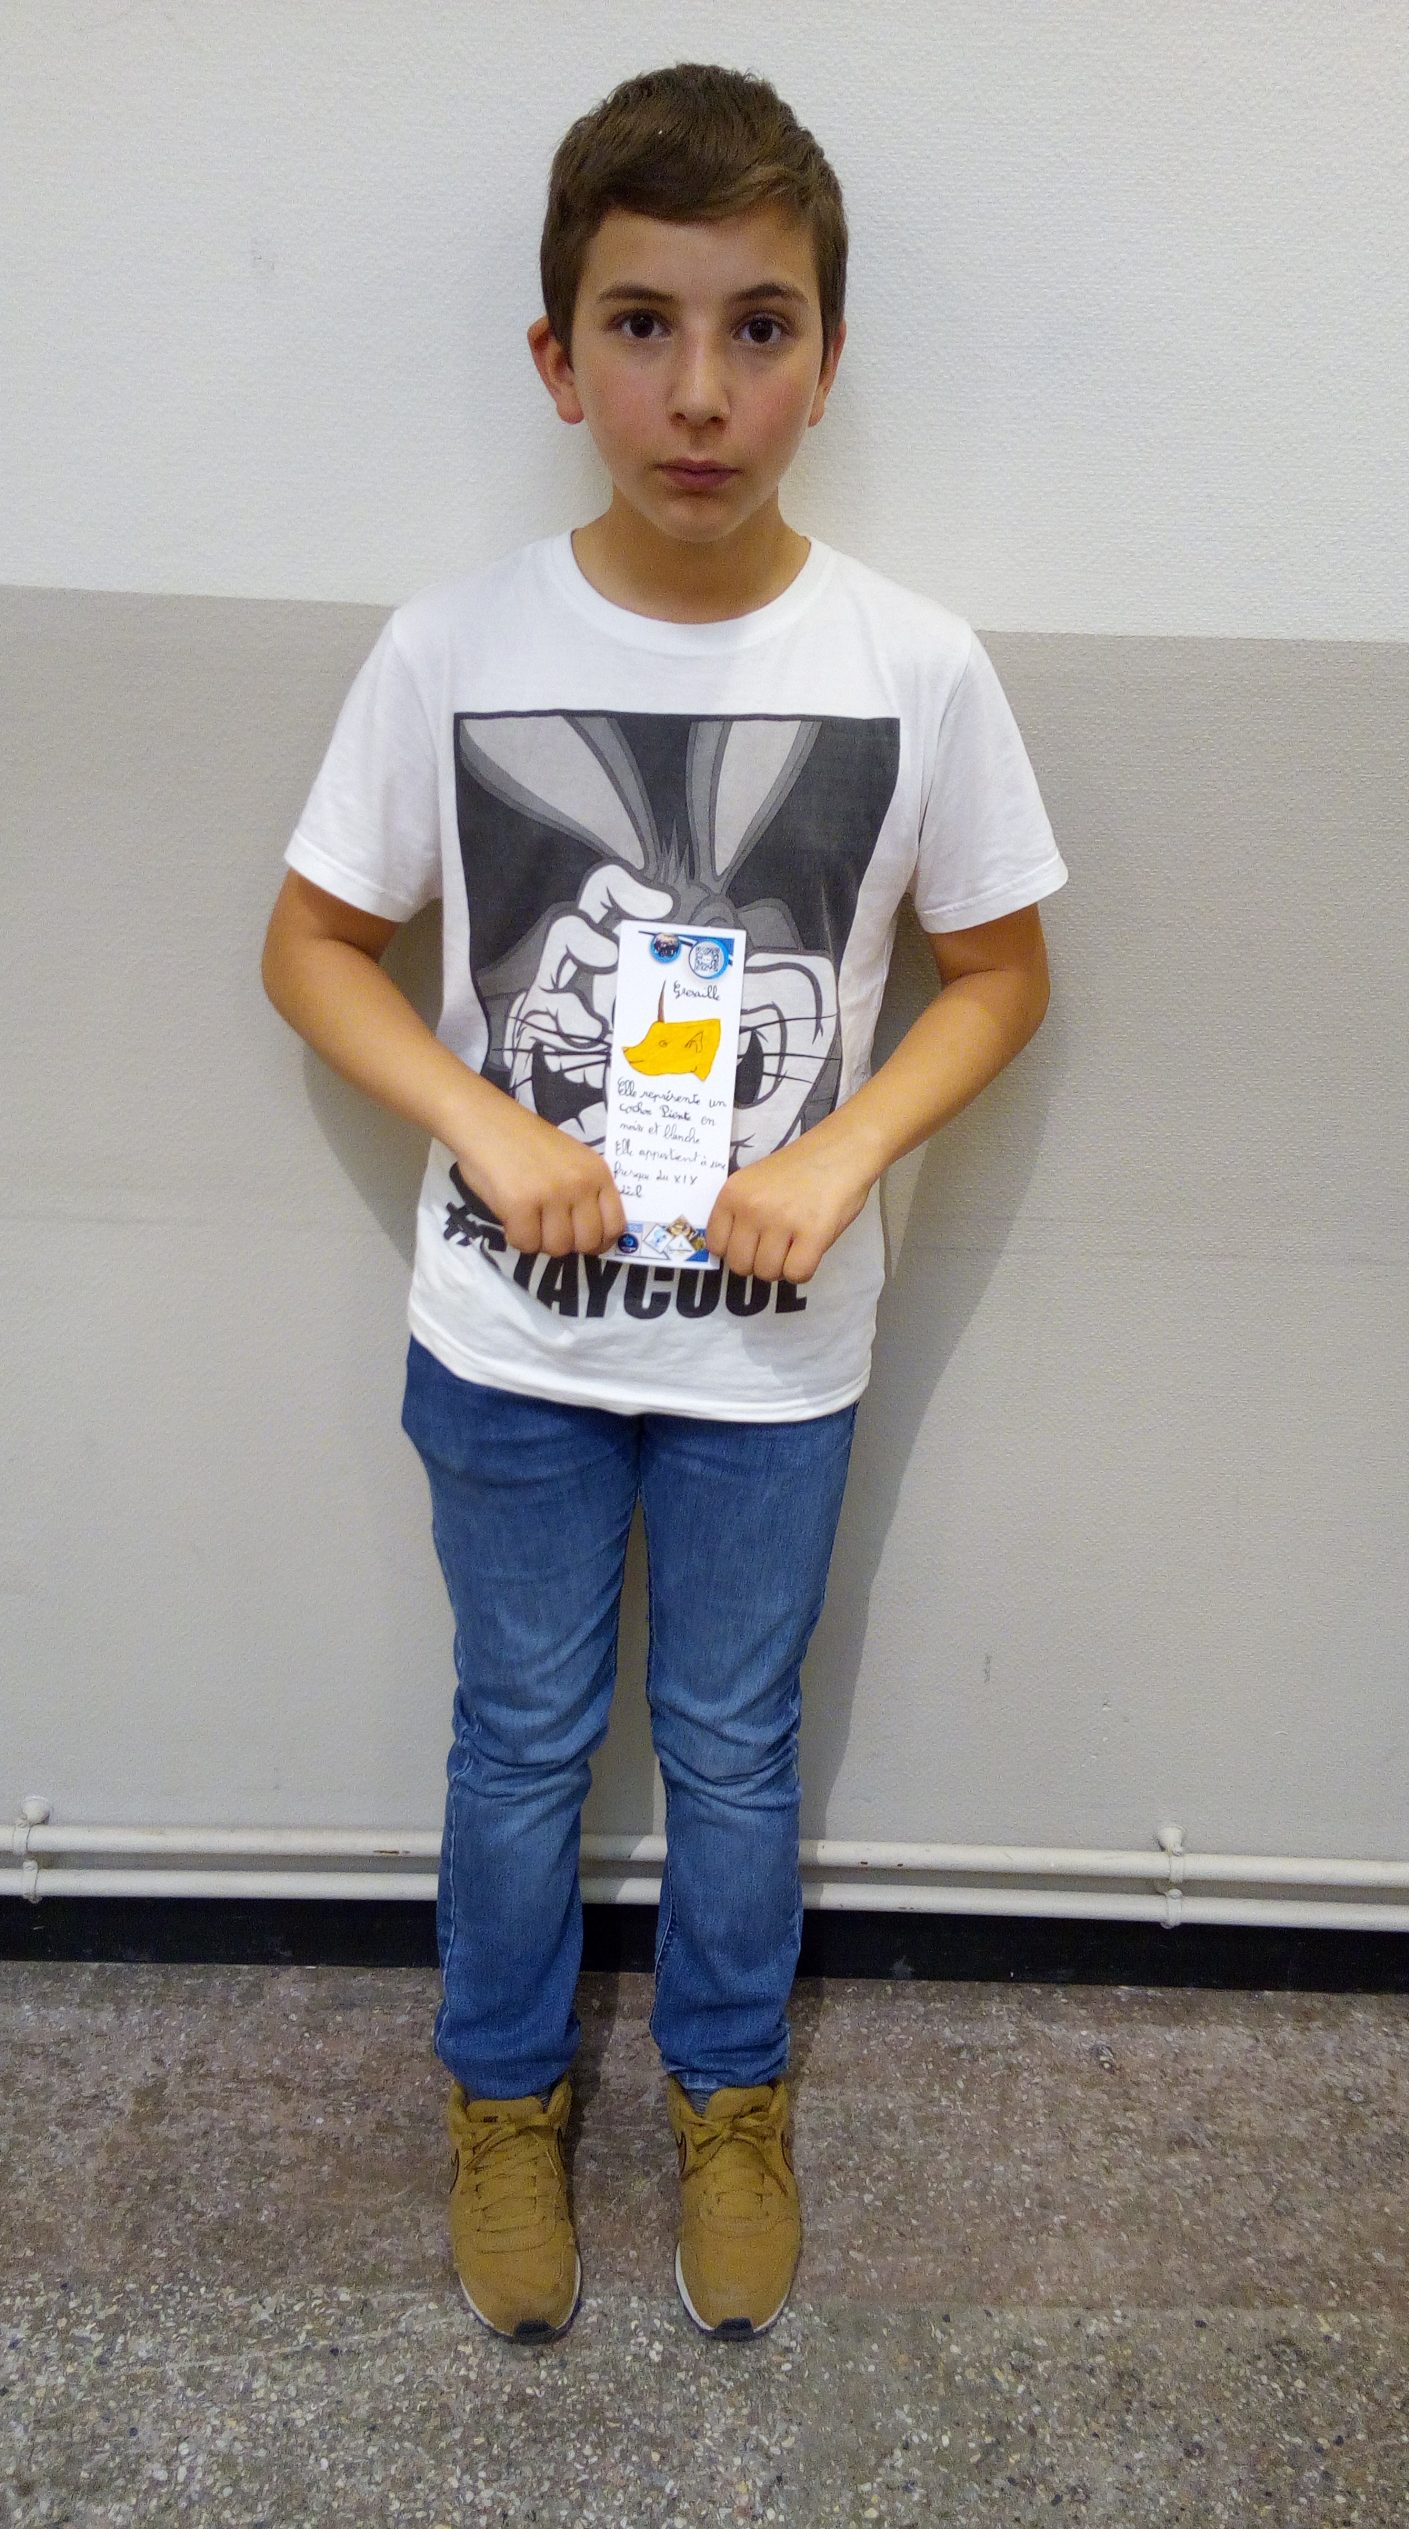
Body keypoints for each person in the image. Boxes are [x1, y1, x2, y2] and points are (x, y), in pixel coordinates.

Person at [260, 60, 1067, 2349]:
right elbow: (312, 942)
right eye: (641, 325)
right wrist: (484, 1124)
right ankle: (503, 2094)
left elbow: (1003, 973)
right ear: (558, 359)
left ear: (827, 358)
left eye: (757, 327)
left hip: (772, 1357)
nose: (699, 391)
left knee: (732, 1741)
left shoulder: (914, 666)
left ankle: (728, 2090)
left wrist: (839, 1149)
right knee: (519, 1734)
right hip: (508, 1338)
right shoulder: (449, 648)